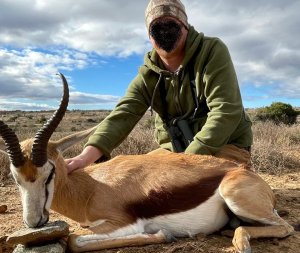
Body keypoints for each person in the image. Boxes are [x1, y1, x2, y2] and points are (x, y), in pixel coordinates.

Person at [66, 0, 253, 173]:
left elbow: (225, 111)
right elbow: (122, 115)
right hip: (175, 152)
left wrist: (186, 163)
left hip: (225, 146)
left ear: (185, 26)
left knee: (207, 189)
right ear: (149, 34)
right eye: (157, 28)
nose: (164, 32)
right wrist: (84, 158)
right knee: (136, 179)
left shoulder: (212, 51)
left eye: (171, 25)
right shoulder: (148, 74)